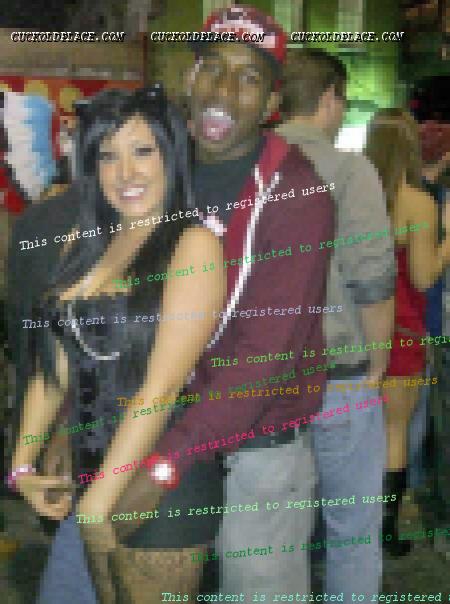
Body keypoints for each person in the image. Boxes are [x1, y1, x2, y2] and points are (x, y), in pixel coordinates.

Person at [113, 5, 335, 600]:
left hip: (254, 446)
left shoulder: (296, 194)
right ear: (189, 78)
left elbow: (263, 357)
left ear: (272, 102)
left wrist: (165, 465)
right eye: (212, 68)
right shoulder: (160, 170)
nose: (224, 91)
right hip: (154, 422)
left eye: (249, 77)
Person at [7, 85, 225, 603]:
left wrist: (99, 503)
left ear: (171, 155)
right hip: (89, 480)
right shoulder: (84, 242)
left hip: (158, 488)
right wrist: (23, 464)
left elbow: (161, 389)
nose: (126, 173)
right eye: (108, 156)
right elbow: (53, 370)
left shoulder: (192, 245)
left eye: (142, 151)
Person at [276, 49, 395, 600]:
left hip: (264, 378)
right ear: (328, 98)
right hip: (338, 371)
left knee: (275, 531)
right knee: (351, 528)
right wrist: (378, 361)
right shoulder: (349, 170)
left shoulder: (251, 162)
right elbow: (371, 278)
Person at [365, 108, 450, 556]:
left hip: (354, 330)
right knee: (394, 431)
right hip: (401, 332)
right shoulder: (417, 202)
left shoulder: (352, 195)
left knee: (351, 432)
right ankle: (385, 530)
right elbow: (423, 276)